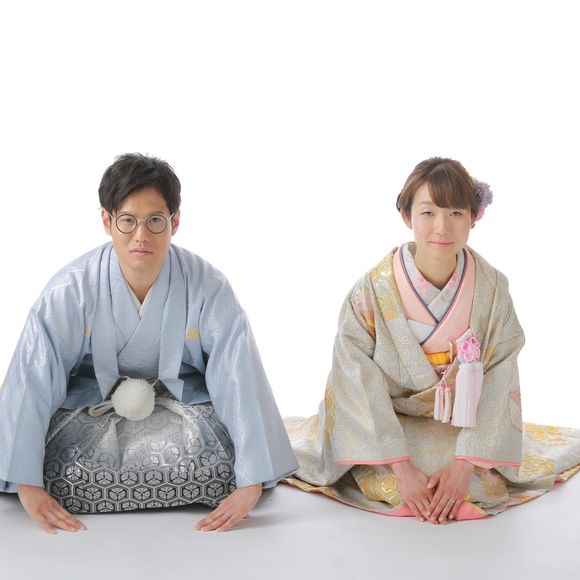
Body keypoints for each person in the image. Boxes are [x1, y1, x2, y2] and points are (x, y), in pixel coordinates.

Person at [0, 153, 298, 534]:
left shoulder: (208, 287)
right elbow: (34, 378)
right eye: (128, 220)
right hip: (92, 405)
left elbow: (239, 376)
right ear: (106, 221)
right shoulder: (70, 289)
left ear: (175, 221)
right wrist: (28, 486)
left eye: (155, 220)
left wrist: (250, 482)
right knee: (55, 461)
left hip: (181, 406)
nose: (141, 235)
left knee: (222, 461)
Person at [284, 157, 580, 523]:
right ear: (406, 216)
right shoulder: (371, 291)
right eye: (428, 213)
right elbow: (355, 377)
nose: (442, 227)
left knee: (472, 480)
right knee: (399, 474)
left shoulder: (492, 290)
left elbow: (501, 374)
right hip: (386, 419)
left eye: (456, 213)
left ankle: (458, 469)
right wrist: (401, 469)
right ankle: (396, 469)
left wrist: (465, 466)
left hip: (460, 422)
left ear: (474, 217)